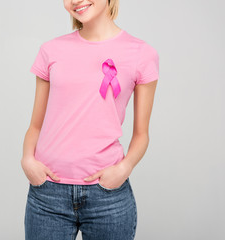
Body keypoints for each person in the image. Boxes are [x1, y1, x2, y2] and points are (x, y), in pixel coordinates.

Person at [21, 0, 159, 239]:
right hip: (47, 195)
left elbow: (141, 134)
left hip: (107, 197)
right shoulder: (51, 50)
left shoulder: (141, 54)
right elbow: (36, 124)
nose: (75, 1)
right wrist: (27, 160)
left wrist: (124, 169)